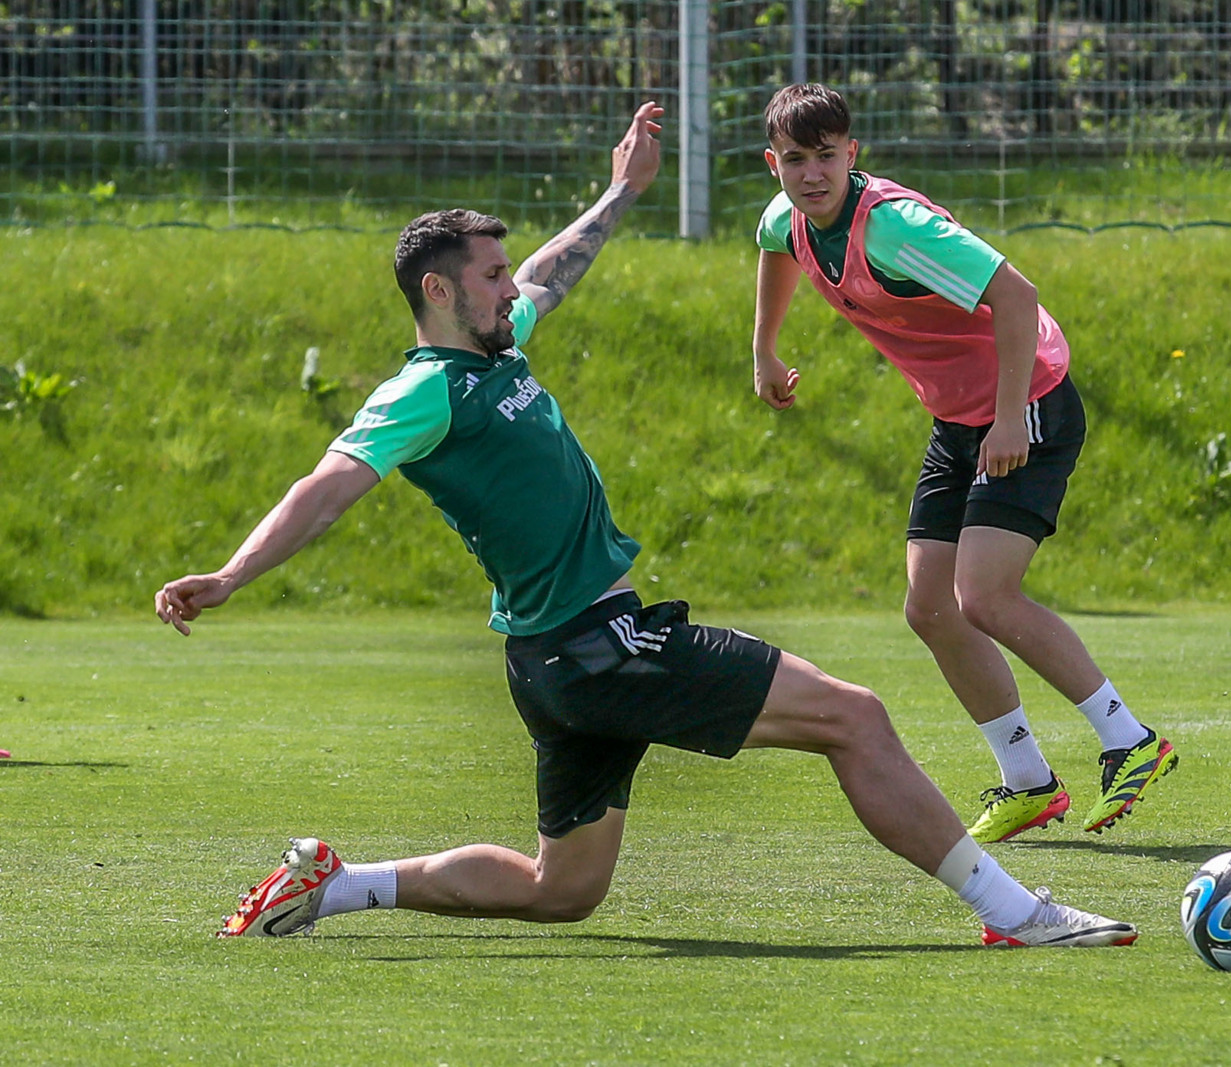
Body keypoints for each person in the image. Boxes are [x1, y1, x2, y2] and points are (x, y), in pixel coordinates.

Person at [153, 102, 1138, 950]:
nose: (515, 286)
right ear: (442, 293)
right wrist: (233, 576)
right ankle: (1016, 909)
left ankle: (341, 881)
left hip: (554, 663)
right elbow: (322, 485)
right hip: (598, 645)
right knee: (856, 716)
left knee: (563, 888)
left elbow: (555, 272)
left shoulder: (495, 348)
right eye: (493, 276)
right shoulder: (421, 393)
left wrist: (621, 193)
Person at [747, 84, 1176, 843]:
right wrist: (765, 349)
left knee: (985, 595)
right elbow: (775, 248)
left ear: (853, 153)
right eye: (794, 159)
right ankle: (1028, 781)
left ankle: (1129, 739)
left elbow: (1015, 295)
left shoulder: (895, 231)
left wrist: (1011, 416)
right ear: (772, 162)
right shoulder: (790, 217)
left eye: (825, 156)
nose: (811, 173)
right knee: (930, 606)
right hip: (960, 418)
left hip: (1028, 401)